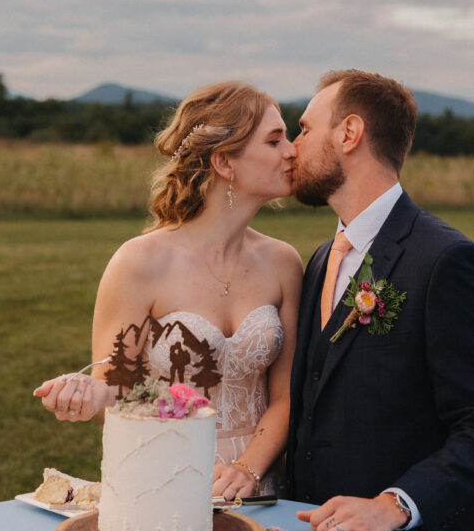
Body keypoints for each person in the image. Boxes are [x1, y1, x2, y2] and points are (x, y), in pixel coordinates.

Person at [285, 69, 474, 531]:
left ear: (349, 134)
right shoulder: (324, 259)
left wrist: (393, 506)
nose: (293, 145)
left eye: (303, 128)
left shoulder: (445, 260)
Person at [35, 81, 302, 499]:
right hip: (165, 477)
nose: (292, 150)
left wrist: (248, 470)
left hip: (261, 483)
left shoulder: (284, 263)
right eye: (275, 140)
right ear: (224, 162)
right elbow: (116, 392)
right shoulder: (139, 263)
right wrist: (85, 394)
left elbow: (286, 397)